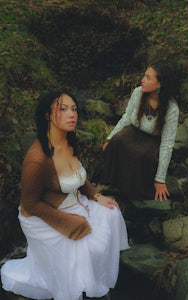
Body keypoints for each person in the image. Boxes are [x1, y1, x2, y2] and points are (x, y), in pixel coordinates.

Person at [1, 90, 129, 300]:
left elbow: (78, 176)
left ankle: (95, 277)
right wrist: (69, 223)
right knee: (86, 248)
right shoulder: (37, 159)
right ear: (47, 115)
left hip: (74, 203)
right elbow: (30, 204)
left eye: (74, 109)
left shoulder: (70, 141)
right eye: (63, 109)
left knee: (112, 213)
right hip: (42, 217)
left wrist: (96, 196)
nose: (72, 114)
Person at [101, 61, 179, 203]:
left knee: (141, 155)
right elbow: (126, 118)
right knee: (117, 141)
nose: (142, 80)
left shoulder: (171, 109)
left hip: (151, 140)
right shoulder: (138, 93)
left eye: (148, 78)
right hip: (132, 132)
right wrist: (109, 138)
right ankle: (114, 183)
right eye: (144, 75)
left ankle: (133, 192)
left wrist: (160, 179)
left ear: (160, 84)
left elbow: (167, 144)